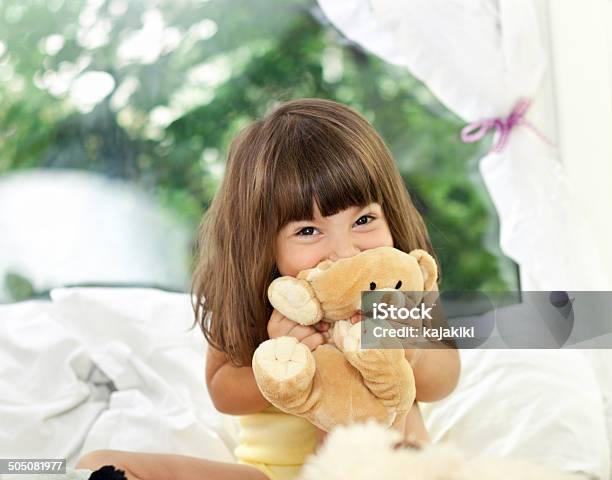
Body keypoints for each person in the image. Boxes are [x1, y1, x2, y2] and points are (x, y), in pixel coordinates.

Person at [76, 98, 460, 480]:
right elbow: (222, 393)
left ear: (389, 214)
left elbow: (445, 377)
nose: (345, 252)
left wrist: (410, 352)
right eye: (308, 231)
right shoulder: (257, 307)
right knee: (98, 463)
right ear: (263, 244)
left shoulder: (398, 286)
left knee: (374, 431)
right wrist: (278, 361)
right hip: (270, 476)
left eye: (364, 219)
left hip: (383, 468)